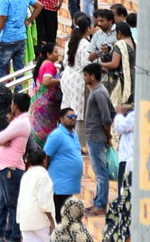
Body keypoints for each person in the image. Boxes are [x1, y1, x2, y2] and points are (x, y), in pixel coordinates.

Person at [0, 92, 32, 242]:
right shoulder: (18, 121)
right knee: (2, 202)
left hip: (12, 168)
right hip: (6, 167)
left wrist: (0, 141)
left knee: (12, 204)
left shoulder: (20, 123)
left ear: (15, 105)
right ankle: (1, 232)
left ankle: (13, 236)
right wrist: (0, 141)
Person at [82, 62, 115, 215]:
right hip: (94, 136)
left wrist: (108, 137)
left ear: (92, 76)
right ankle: (97, 202)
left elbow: (107, 118)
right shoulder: (97, 91)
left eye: (86, 75)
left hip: (97, 137)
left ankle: (101, 205)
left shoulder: (99, 93)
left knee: (101, 173)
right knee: (98, 172)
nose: (84, 78)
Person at [44, 108, 83, 215]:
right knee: (59, 215)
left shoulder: (74, 133)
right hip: (59, 185)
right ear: (61, 119)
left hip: (70, 185)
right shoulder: (57, 135)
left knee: (66, 215)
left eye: (75, 116)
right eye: (70, 117)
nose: (73, 119)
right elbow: (46, 156)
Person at [16, 148, 56, 242]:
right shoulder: (43, 177)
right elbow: (44, 203)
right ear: (44, 160)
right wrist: (51, 221)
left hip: (25, 220)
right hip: (40, 221)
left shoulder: (26, 175)